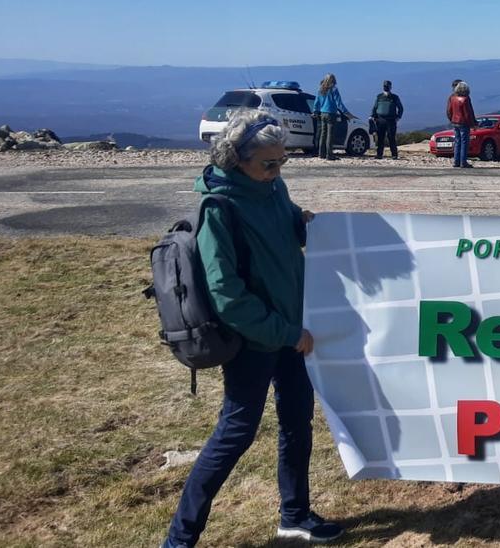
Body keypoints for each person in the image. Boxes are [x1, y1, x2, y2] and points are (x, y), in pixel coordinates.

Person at [162, 111, 342, 547]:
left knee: (297, 421)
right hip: (256, 340)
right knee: (236, 432)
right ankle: (179, 539)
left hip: (291, 329)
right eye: (268, 164)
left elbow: (284, 224)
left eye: (283, 162)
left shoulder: (272, 186)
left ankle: (295, 517)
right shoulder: (219, 208)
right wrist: (283, 332)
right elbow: (227, 296)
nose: (277, 171)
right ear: (235, 159)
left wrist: (305, 222)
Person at [312, 73, 352, 160]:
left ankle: (321, 153)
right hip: (331, 113)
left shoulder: (321, 89)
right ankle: (329, 154)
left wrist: (315, 111)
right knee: (330, 135)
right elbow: (339, 103)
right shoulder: (334, 89)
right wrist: (346, 112)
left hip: (322, 113)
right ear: (333, 80)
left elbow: (316, 102)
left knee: (323, 134)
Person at [370, 80, 404, 160]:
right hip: (380, 119)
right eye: (385, 86)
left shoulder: (395, 97)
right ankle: (379, 154)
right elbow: (375, 107)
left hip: (391, 120)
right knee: (380, 138)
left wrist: (398, 117)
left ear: (390, 87)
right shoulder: (379, 97)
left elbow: (400, 108)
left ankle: (394, 155)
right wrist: (373, 116)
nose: (386, 87)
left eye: (387, 86)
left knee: (391, 137)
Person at [446, 81, 476, 168]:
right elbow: (468, 113)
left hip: (455, 122)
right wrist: (472, 124)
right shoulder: (466, 99)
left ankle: (456, 161)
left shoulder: (452, 98)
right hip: (464, 123)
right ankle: (463, 162)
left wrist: (452, 119)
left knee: (457, 142)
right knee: (464, 142)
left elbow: (449, 111)